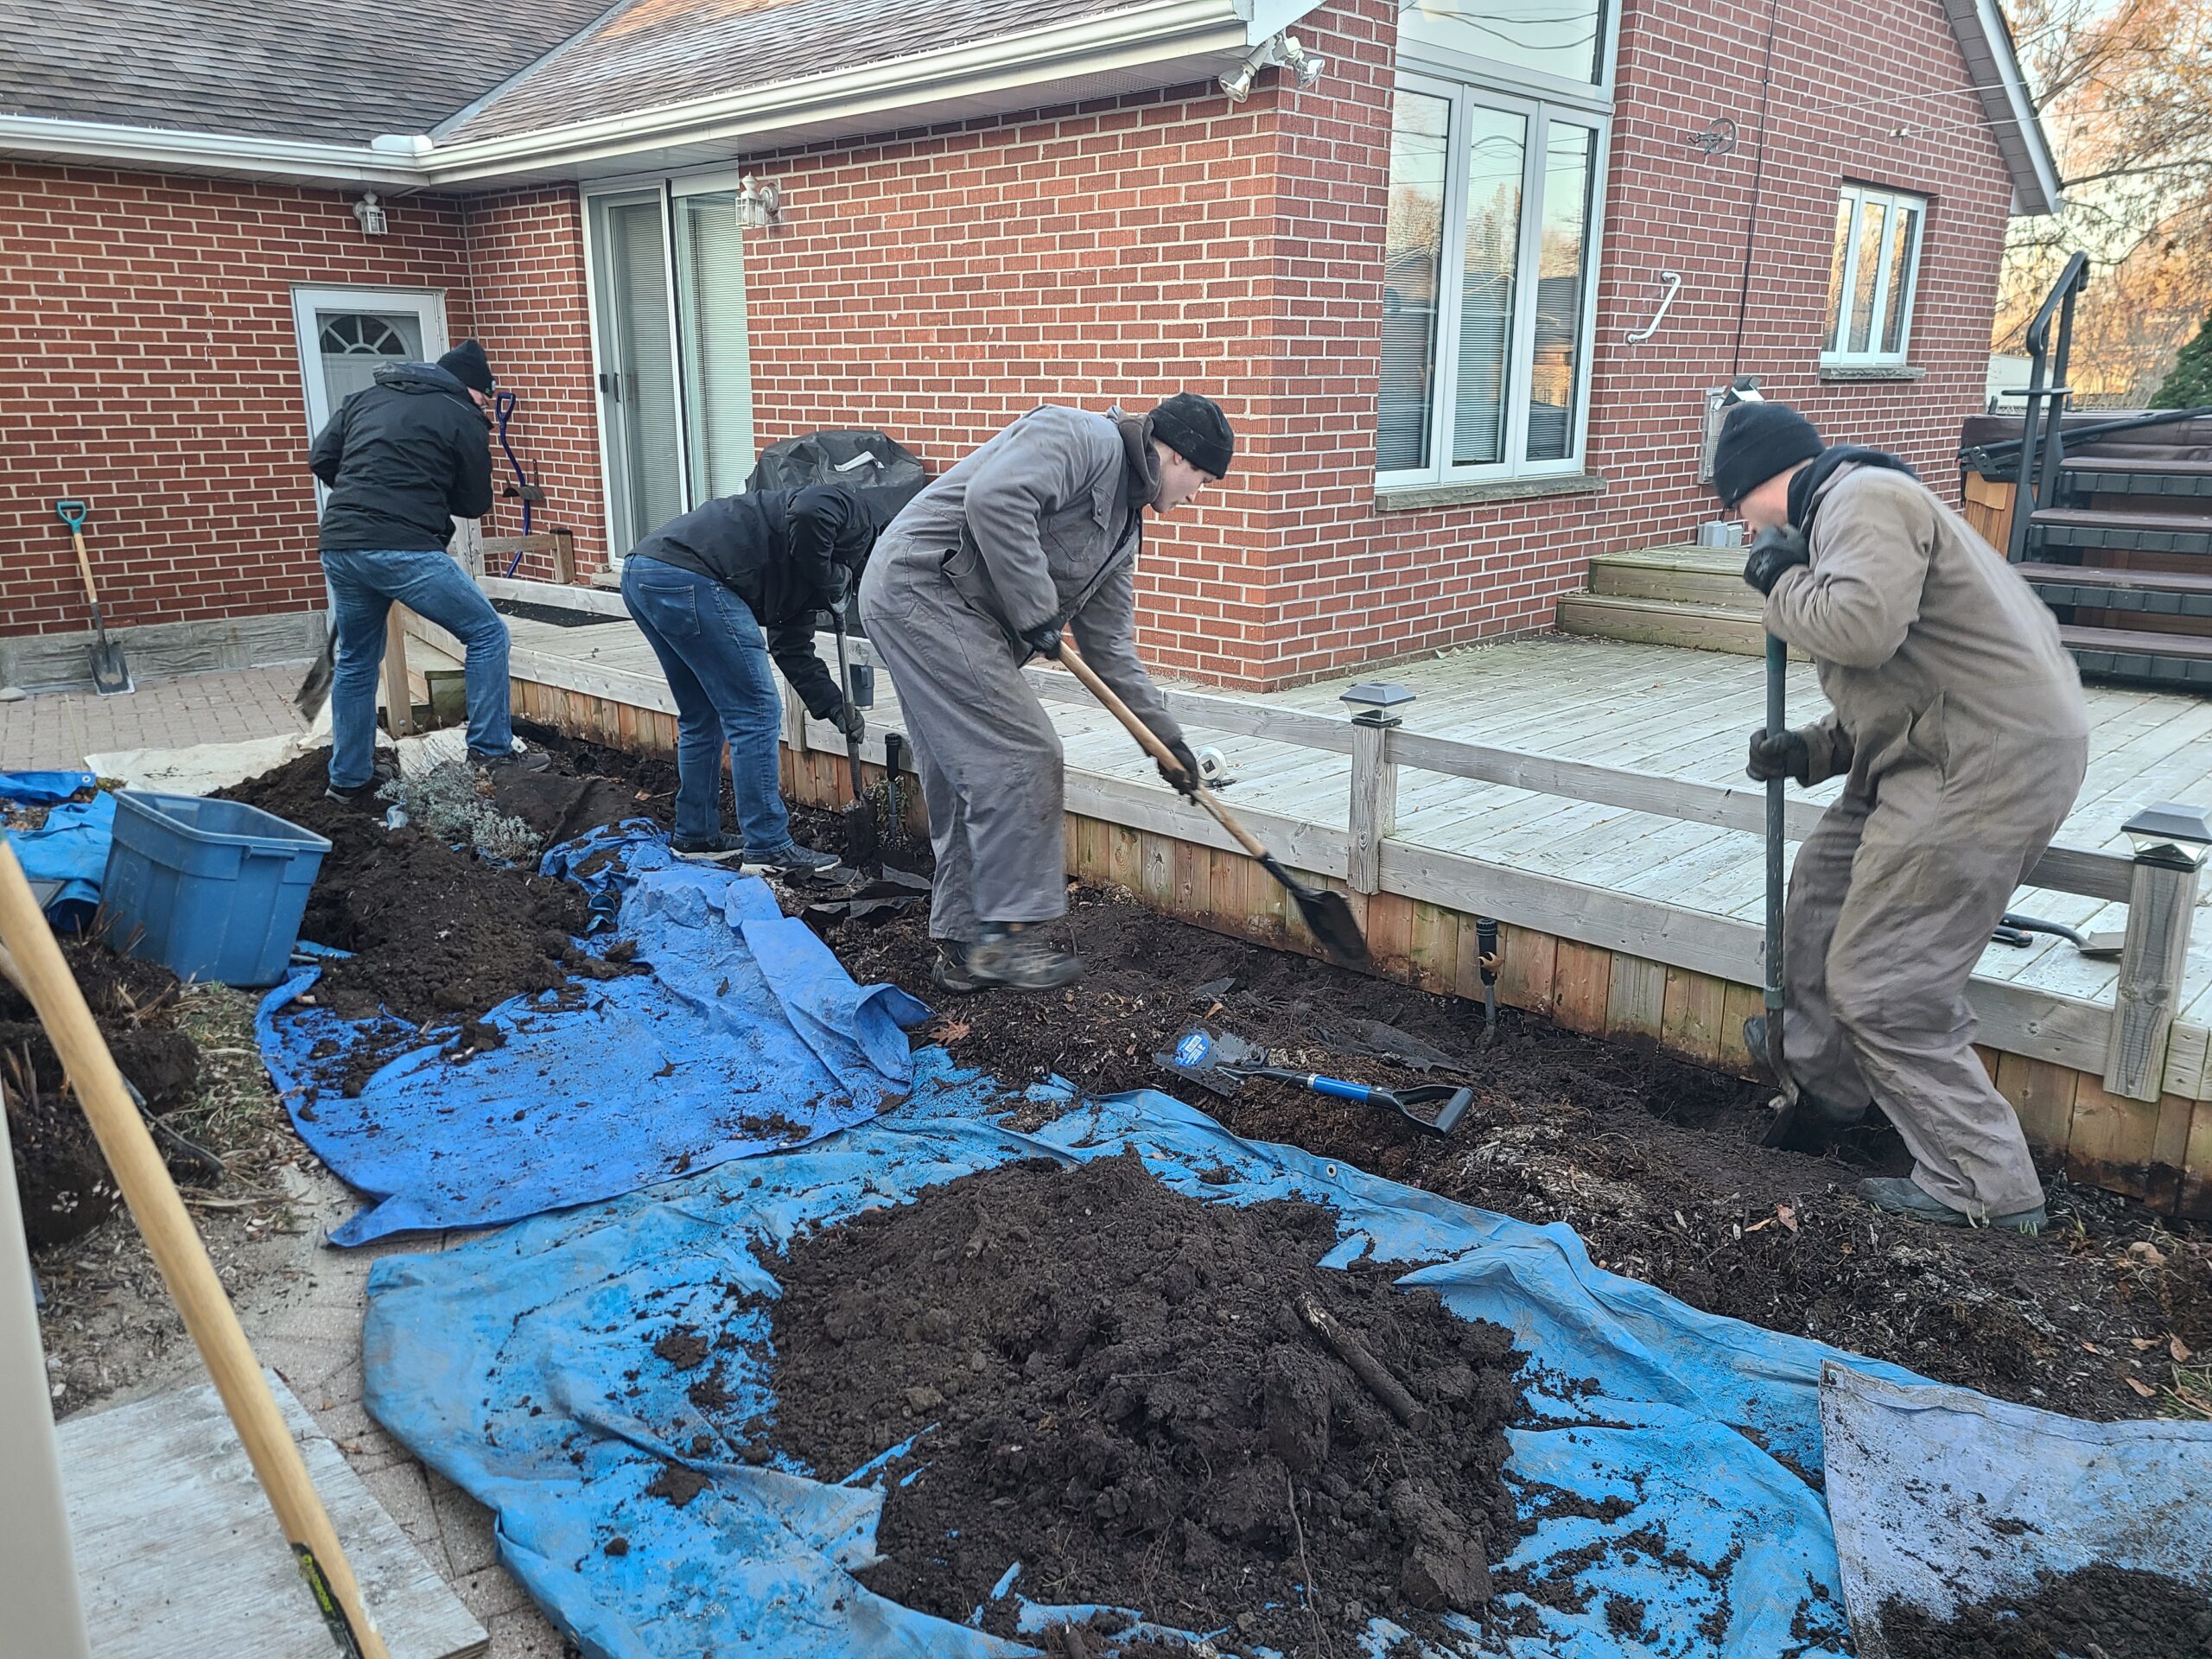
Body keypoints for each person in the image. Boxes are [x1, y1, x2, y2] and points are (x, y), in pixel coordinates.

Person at [1713, 397, 2090, 1234]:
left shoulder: (1861, 499)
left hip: (1980, 765)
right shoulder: (1847, 516)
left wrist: (1781, 582)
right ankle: (1827, 1088)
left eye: (1734, 506)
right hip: (1933, 750)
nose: (1741, 528)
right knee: (1817, 901)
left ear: (1760, 484)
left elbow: (1859, 627)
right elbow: (1904, 682)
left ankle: (1984, 1186)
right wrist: (1809, 750)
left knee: (1886, 985)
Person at [860, 393, 1231, 991]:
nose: (1199, 496)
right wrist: (1036, 609)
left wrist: (1169, 744)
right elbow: (995, 498)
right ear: (1174, 455)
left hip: (960, 616)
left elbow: (1111, 649)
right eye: (1204, 479)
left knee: (966, 774)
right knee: (1024, 754)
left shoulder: (1121, 535)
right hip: (922, 588)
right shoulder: (1080, 438)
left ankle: (964, 947)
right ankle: (1008, 937)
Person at [309, 339, 542, 806]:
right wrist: (420, 496)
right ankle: (492, 754)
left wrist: (369, 494)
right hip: (403, 548)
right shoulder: (462, 414)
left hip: (341, 544)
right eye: (486, 397)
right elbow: (475, 503)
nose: (486, 406)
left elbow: (322, 458)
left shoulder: (365, 398)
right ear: (471, 389)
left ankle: (349, 781)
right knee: (487, 634)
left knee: (357, 658)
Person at [620, 485, 874, 873]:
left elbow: (793, 650)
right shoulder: (858, 516)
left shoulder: (803, 584)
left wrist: (835, 707)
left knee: (702, 713)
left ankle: (697, 835)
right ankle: (769, 846)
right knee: (755, 711)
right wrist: (827, 575)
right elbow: (809, 510)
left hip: (646, 572)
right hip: (691, 575)